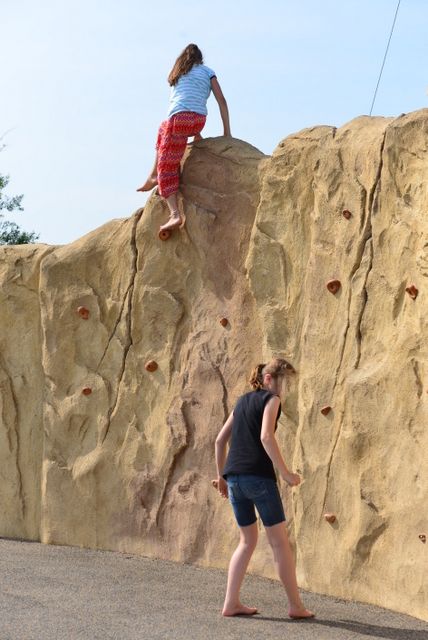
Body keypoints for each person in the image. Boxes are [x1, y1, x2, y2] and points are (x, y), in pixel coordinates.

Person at [214, 358, 315, 619]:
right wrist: (286, 474)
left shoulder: (241, 402)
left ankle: (231, 603)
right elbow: (266, 436)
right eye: (284, 382)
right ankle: (295, 606)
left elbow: (219, 441)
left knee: (246, 541)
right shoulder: (272, 400)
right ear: (269, 379)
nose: (286, 389)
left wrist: (222, 477)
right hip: (258, 478)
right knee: (280, 544)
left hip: (235, 480)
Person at [137, 43, 231, 233]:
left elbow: (179, 104)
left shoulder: (178, 73)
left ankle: (174, 214)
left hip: (179, 121)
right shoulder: (208, 71)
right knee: (162, 128)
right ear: (200, 59)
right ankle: (152, 174)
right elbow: (222, 101)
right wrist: (227, 133)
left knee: (167, 166)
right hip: (198, 122)